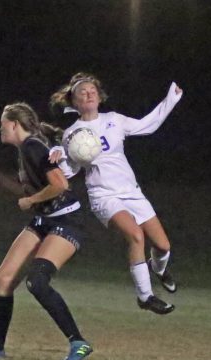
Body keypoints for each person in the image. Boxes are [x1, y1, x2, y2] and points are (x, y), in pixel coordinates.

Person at [49, 72, 183, 315]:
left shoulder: (115, 120)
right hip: (103, 195)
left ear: (99, 97)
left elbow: (147, 126)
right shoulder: (72, 134)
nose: (88, 94)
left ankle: (159, 269)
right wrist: (58, 155)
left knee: (163, 245)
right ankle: (145, 296)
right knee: (135, 235)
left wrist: (170, 100)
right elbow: (71, 170)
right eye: (82, 93)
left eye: (92, 91)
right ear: (75, 102)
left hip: (131, 192)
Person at [0, 102, 92, 360]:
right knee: (4, 277)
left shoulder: (34, 147)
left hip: (67, 220)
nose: (0, 128)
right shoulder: (25, 151)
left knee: (36, 282)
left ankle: (78, 342)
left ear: (14, 124)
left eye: (3, 123)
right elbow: (26, 195)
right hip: (44, 219)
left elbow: (60, 185)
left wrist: (32, 200)